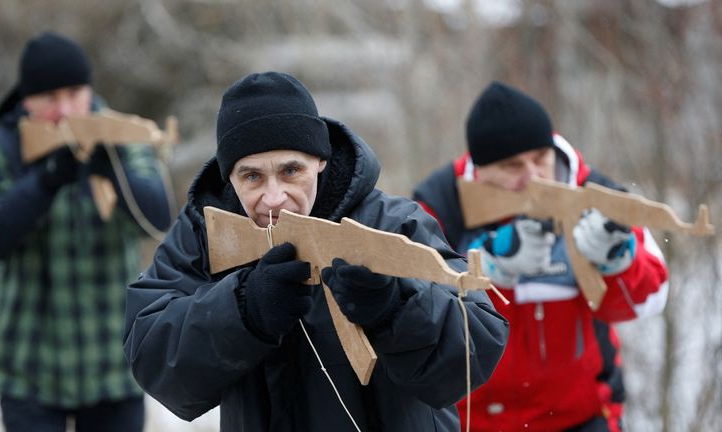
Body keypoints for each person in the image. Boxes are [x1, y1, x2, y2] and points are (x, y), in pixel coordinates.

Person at [122, 71, 509, 431]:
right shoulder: (203, 235)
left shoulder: (390, 221)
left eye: (291, 171)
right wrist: (244, 309)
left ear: (320, 161)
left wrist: (395, 307)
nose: (274, 198)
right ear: (229, 178)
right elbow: (152, 352)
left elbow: (477, 342)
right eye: (252, 176)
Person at [413, 81, 670, 431]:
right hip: (475, 420)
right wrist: (484, 269)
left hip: (581, 417)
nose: (533, 176)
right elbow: (412, 310)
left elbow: (651, 299)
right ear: (480, 168)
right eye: (513, 166)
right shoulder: (441, 204)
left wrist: (617, 262)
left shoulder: (595, 194)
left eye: (540, 158)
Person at [0, 31, 172, 432]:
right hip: (30, 366)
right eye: (50, 99)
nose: (65, 109)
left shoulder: (118, 136)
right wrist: (46, 181)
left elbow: (158, 216)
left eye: (74, 93)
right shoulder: (4, 144)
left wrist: (108, 167)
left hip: (113, 362)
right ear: (27, 100)